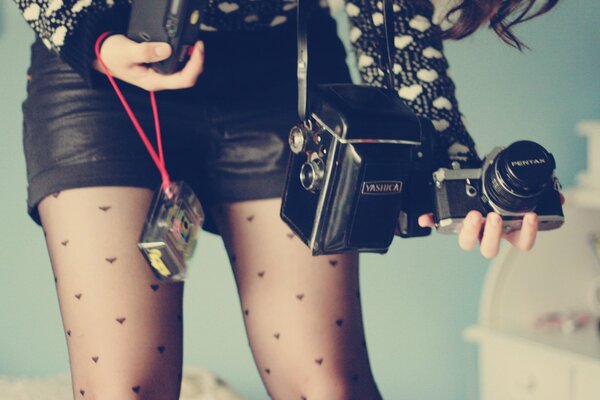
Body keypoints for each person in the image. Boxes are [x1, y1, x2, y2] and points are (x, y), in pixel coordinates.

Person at [13, 0, 560, 398]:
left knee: (327, 387)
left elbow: (391, 18)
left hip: (285, 70)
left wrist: (456, 171)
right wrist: (93, 39)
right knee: (123, 388)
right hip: (105, 60)